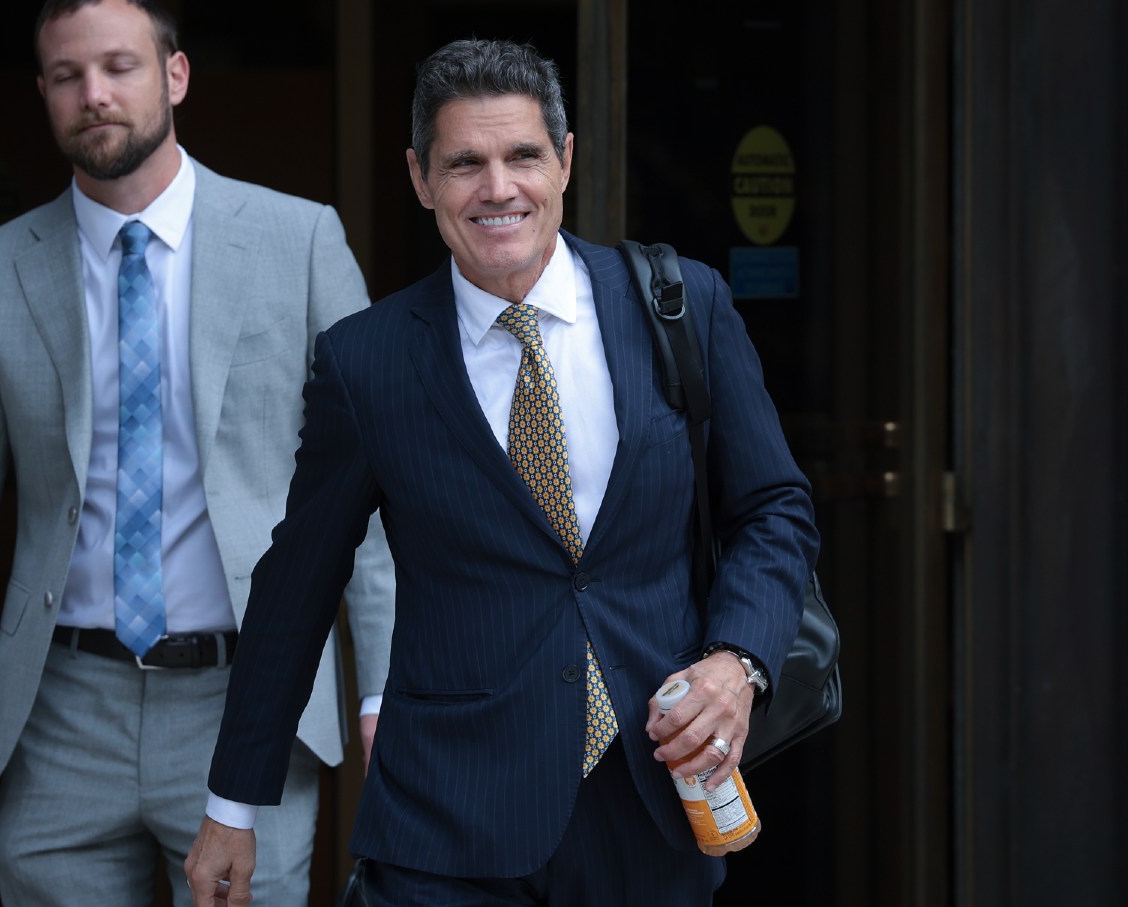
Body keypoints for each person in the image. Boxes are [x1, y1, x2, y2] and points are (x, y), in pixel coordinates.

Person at [186, 37, 819, 905]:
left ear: (564, 161)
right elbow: (296, 586)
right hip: (447, 823)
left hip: (653, 796)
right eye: (464, 163)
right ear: (419, 178)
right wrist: (233, 804)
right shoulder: (366, 363)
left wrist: (736, 660)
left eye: (523, 155)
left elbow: (774, 509)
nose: (498, 188)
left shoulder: (681, 305)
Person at [0, 1, 395, 904]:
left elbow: (368, 483)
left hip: (249, 698)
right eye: (67, 76)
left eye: (118, 67)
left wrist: (384, 690)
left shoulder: (298, 242)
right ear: (43, 93)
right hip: (61, 709)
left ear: (174, 76)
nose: (93, 94)